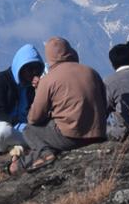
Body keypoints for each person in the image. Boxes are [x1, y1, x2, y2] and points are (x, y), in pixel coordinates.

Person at [17, 37, 107, 172]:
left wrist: (38, 91)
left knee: (29, 130)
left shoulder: (48, 80)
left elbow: (34, 118)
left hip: (71, 138)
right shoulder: (92, 72)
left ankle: (44, 153)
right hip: (98, 135)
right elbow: (104, 105)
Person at [0, 44, 45, 154]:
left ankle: (20, 147)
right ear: (20, 67)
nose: (33, 74)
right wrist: (23, 127)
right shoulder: (0, 81)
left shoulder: (32, 87)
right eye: (29, 69)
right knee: (1, 130)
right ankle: (26, 145)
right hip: (9, 130)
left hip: (27, 131)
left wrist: (40, 91)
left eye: (37, 70)